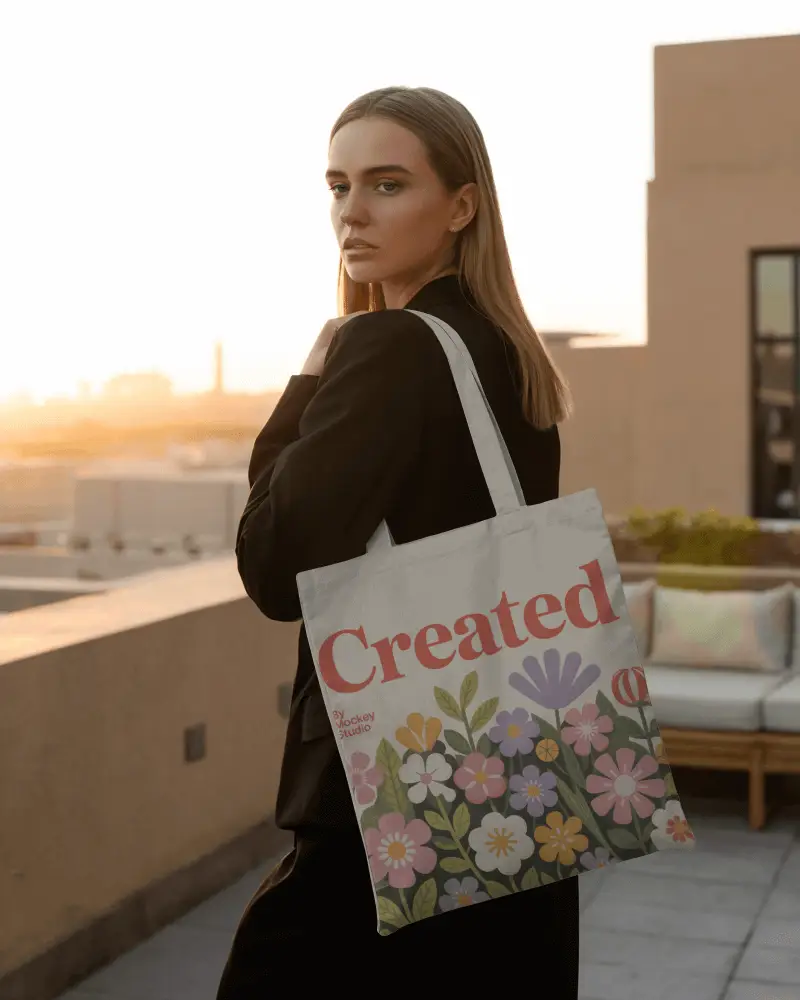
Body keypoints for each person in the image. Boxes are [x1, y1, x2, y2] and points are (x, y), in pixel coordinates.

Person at [216, 85, 577, 996]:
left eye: (385, 185)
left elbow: (271, 563)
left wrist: (305, 382)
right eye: (338, 186)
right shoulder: (511, 358)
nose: (351, 213)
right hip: (515, 778)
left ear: (460, 206)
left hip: (386, 799)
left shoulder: (390, 347)